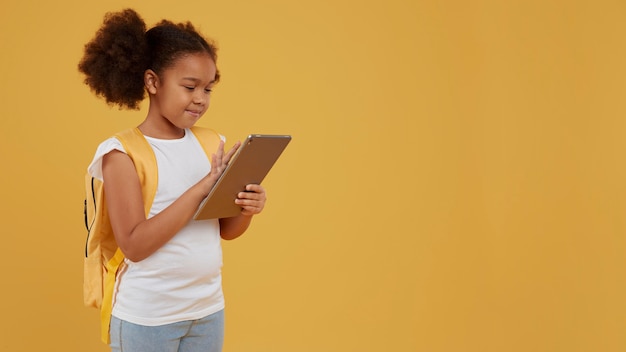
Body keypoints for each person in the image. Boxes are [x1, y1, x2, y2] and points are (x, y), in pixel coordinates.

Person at [78, 8, 266, 352]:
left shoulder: (211, 143)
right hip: (147, 317)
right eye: (190, 86)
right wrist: (200, 189)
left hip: (207, 310)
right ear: (152, 82)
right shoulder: (121, 154)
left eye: (208, 89)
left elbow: (225, 230)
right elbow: (134, 245)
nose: (200, 98)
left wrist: (246, 209)